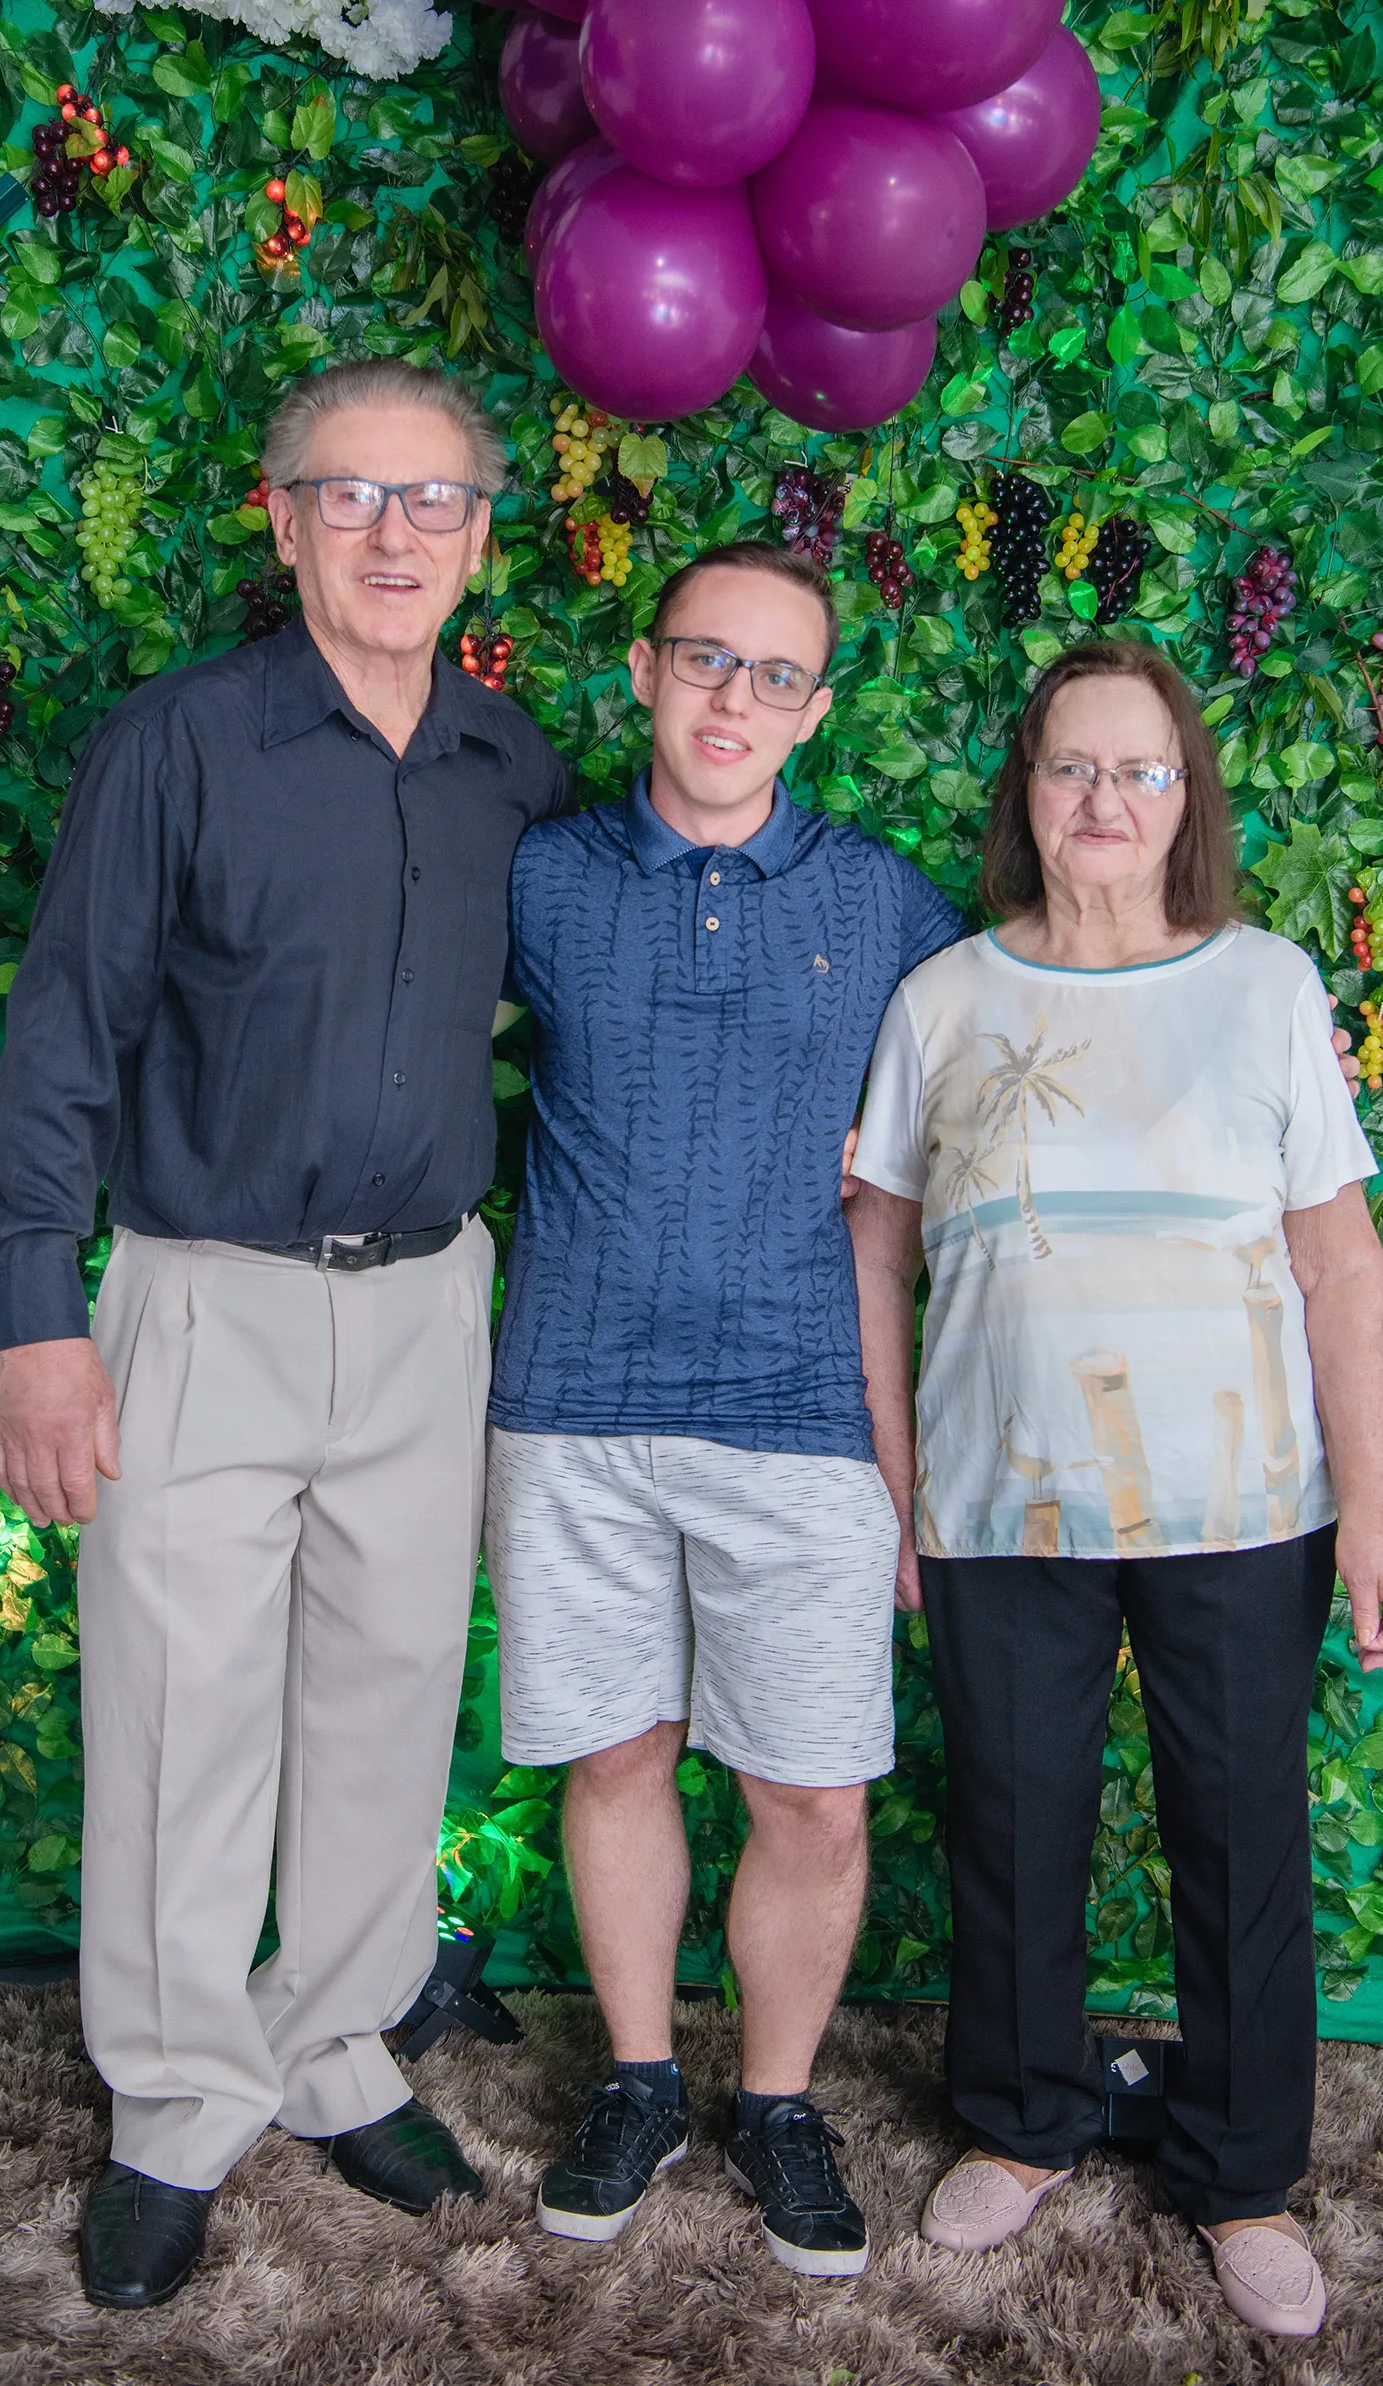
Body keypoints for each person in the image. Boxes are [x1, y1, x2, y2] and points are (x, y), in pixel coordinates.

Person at [0, 358, 571, 2311]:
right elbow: (65, 1028)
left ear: (481, 534)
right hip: (200, 1295)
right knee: (176, 1702)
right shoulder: (181, 741)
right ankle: (176, 2098)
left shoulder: (518, 773)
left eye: (433, 501)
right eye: (351, 495)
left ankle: (334, 2041)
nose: (394, 535)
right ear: (281, 515)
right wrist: (38, 1322)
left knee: (388, 1701)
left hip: (426, 1304)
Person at [847, 638, 1383, 2338]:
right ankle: (1023, 2122)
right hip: (998, 1502)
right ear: (1028, 792)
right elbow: (877, 1253)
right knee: (1010, 1820)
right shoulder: (944, 999)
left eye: (1140, 770)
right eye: (1074, 768)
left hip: (1249, 1504)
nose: (1105, 799)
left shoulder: (1266, 987)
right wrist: (899, 1488)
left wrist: (1372, 1511)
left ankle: (1242, 2168)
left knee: (1238, 1834)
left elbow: (1340, 1270)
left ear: (1187, 800)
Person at [482, 543, 968, 2275]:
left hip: (800, 1406)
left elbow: (963, 1113)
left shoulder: (888, 901)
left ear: (816, 709)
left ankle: (773, 2098)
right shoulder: (537, 874)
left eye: (775, 676)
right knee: (617, 1755)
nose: (733, 700)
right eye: (705, 661)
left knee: (811, 1794)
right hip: (572, 1398)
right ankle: (632, 2079)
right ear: (642, 670)